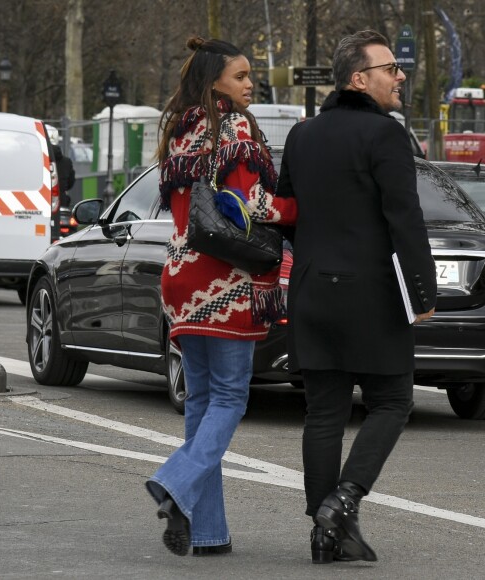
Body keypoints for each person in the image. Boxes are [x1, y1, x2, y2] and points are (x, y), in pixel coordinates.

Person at [276, 30, 437, 564]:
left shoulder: (302, 135)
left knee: (324, 412)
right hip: (371, 294)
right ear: (358, 79)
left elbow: (286, 214)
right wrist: (422, 289)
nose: (400, 75)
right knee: (393, 401)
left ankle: (325, 534)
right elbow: (404, 218)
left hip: (313, 291)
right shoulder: (385, 134)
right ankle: (344, 501)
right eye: (389, 68)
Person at [145, 36, 297, 557]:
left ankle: (207, 530)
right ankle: (173, 479)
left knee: (202, 401)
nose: (250, 84)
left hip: (180, 276)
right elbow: (254, 205)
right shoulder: (234, 129)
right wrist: (296, 208)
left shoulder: (181, 130)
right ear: (215, 84)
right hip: (224, 279)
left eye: (250, 75)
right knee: (231, 396)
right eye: (240, 76)